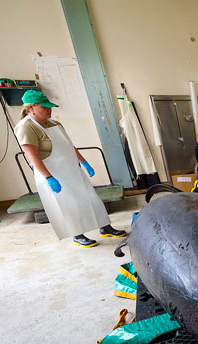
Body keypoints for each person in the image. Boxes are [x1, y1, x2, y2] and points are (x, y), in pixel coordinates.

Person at [15, 90, 126, 248]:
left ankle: (105, 227)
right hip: (53, 173)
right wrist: (48, 178)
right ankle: (78, 235)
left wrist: (84, 162)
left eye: (50, 107)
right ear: (31, 108)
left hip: (72, 169)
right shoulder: (26, 127)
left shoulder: (55, 123)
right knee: (68, 204)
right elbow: (32, 156)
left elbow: (68, 145)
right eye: (45, 107)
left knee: (91, 198)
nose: (49, 110)